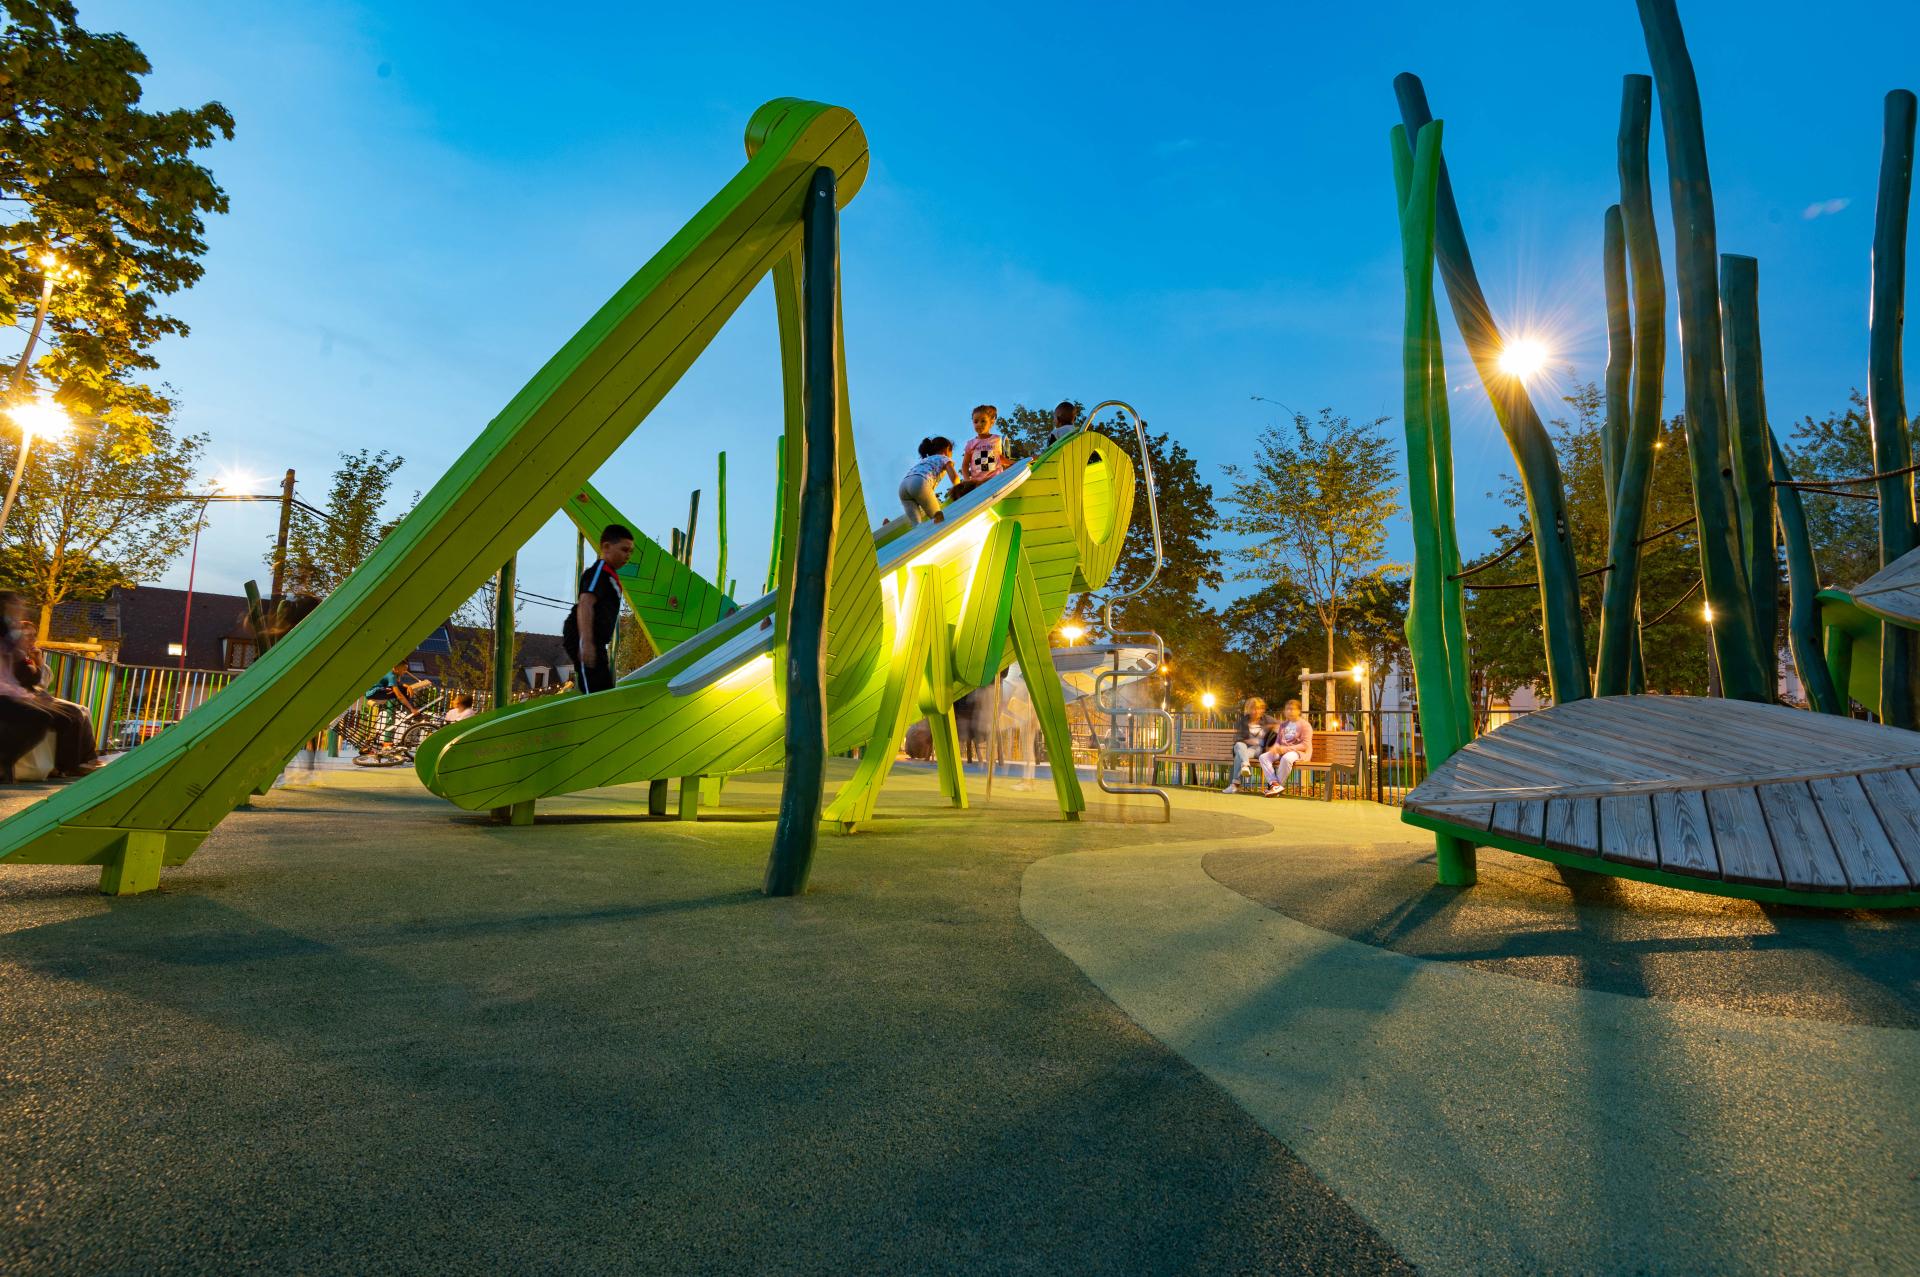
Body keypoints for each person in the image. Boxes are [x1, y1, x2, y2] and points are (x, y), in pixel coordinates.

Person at [564, 523, 636, 694]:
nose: (628, 555)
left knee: (604, 689)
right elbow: (586, 603)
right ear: (606, 547)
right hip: (582, 635)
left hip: (597, 642)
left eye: (630, 552)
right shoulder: (598, 572)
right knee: (594, 690)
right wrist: (586, 642)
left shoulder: (610, 575)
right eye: (624, 550)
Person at [949, 404, 1012, 500]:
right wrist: (967, 481)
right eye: (976, 422)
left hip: (995, 479)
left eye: (983, 421)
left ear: (992, 421)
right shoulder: (971, 444)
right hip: (978, 484)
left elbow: (1000, 459)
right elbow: (965, 465)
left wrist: (1017, 463)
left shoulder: (997, 439)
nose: (979, 424)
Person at [1260, 699, 1314, 796]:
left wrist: (1283, 749)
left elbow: (1304, 745)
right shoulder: (1283, 725)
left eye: (1292, 709)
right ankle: (1275, 784)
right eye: (1287, 709)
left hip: (1299, 753)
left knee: (1286, 758)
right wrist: (1275, 747)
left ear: (1299, 711)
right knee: (1263, 757)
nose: (1290, 711)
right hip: (1283, 751)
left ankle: (1276, 788)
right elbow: (1278, 742)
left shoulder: (1305, 725)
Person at [899, 436, 958, 524]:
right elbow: (954, 477)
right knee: (938, 518)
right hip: (919, 482)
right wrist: (959, 487)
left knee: (917, 525)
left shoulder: (925, 460)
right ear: (946, 449)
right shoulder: (943, 458)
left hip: (903, 486)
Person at [1222, 696, 1269, 794]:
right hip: (1243, 747)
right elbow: (1237, 738)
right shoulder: (1243, 721)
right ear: (1248, 709)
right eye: (1253, 708)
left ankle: (1234, 785)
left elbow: (1279, 727)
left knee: (1240, 756)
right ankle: (1245, 765)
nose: (1256, 711)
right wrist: (1249, 741)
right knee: (1239, 745)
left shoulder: (1267, 720)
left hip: (1258, 750)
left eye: (1259, 708)